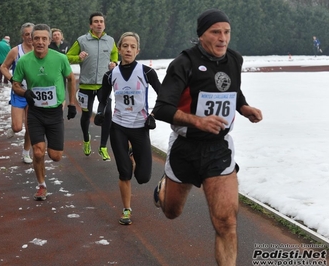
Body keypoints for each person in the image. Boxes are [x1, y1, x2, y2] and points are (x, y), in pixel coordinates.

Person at [152, 9, 263, 266]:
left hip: (218, 148)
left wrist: (244, 108)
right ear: (201, 35)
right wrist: (197, 120)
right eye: (216, 32)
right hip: (185, 147)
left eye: (227, 32)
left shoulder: (234, 59)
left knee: (226, 222)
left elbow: (233, 91)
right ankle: (163, 190)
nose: (223, 38)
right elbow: (161, 109)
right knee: (171, 212)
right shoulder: (183, 63)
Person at [95, 32, 161, 225]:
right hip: (119, 126)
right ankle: (126, 210)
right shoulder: (111, 75)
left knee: (142, 177)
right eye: (125, 46)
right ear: (120, 49)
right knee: (124, 173)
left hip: (140, 127)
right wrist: (100, 112)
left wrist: (153, 115)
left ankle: (131, 154)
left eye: (132, 46)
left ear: (138, 50)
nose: (129, 50)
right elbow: (103, 97)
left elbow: (164, 94)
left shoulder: (147, 72)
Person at [12, 23, 77, 201]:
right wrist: (25, 92)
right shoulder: (24, 61)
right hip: (35, 113)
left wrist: (72, 104)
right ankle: (41, 185)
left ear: (49, 40)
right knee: (38, 151)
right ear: (31, 40)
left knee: (55, 156)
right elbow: (15, 83)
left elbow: (70, 78)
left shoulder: (60, 58)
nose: (40, 42)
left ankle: (48, 149)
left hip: (55, 112)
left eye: (44, 39)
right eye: (36, 38)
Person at [66, 12, 119, 161]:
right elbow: (67, 57)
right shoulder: (82, 40)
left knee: (107, 113)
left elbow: (115, 54)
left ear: (104, 24)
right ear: (91, 25)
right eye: (96, 21)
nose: (99, 24)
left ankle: (103, 147)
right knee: (86, 115)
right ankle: (86, 139)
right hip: (86, 85)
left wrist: (114, 62)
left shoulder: (110, 40)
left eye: (101, 21)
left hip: (104, 85)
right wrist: (78, 58)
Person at [0, 23, 34, 164]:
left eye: (32, 34)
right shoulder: (15, 51)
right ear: (22, 36)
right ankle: (13, 128)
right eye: (27, 34)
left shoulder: (40, 50)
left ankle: (26, 152)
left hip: (34, 94)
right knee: (17, 127)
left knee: (30, 126)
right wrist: (12, 79)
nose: (30, 37)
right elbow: (3, 67)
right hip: (19, 93)